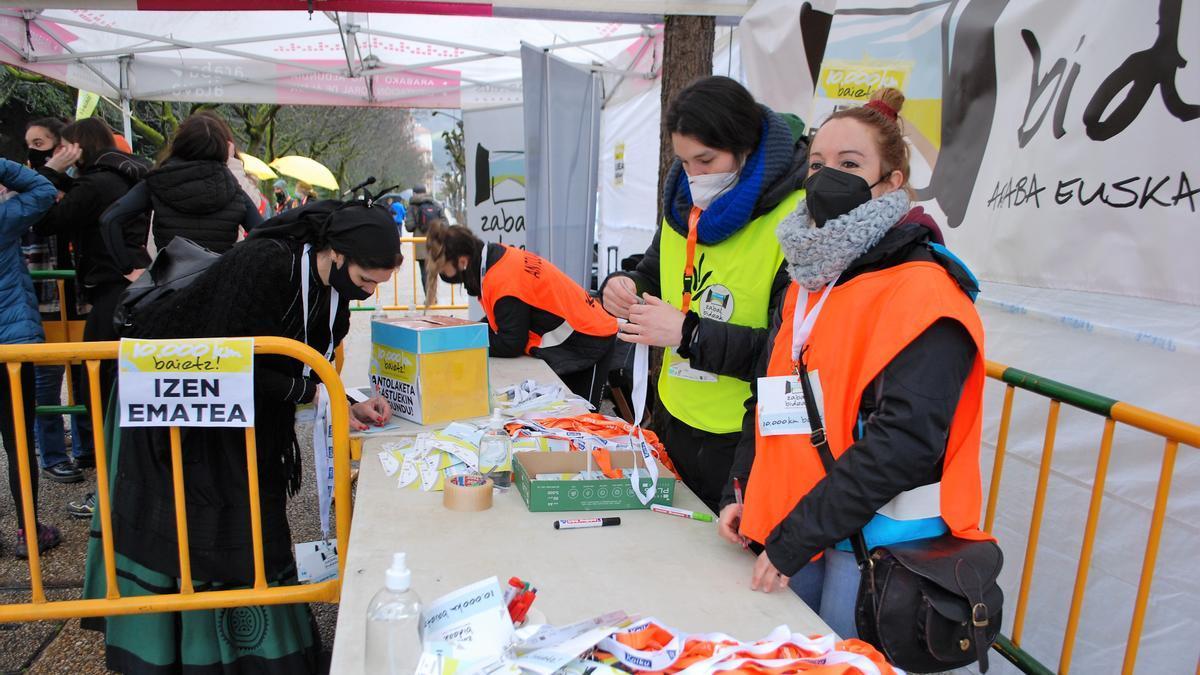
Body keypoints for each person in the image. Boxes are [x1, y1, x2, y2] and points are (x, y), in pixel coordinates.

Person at [712, 88, 990, 639]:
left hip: (876, 550)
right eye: (816, 163)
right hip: (801, 533)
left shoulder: (925, 290)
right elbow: (771, 397)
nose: (825, 177)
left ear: (892, 181)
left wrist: (794, 537)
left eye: (849, 164)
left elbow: (903, 445)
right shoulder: (811, 281)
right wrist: (743, 492)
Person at [82, 199, 401, 673]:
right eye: (365, 280)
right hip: (182, 415)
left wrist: (343, 399)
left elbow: (304, 364)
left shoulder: (334, 293)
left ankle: (265, 654)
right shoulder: (264, 262)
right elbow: (222, 360)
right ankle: (186, 657)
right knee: (195, 535)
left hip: (245, 418)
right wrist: (311, 391)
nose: (369, 292)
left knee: (251, 527)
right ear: (336, 253)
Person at [599, 76, 808, 513]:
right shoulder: (681, 205)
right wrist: (625, 287)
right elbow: (653, 272)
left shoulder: (795, 219)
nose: (694, 176)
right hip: (676, 419)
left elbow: (784, 354)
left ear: (745, 147)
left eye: (706, 160)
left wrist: (688, 335)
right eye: (685, 162)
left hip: (742, 439)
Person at [34, 118, 151, 419]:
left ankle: (105, 449)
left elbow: (48, 221)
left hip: (109, 281)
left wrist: (50, 172)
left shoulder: (96, 182)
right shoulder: (126, 174)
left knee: (97, 375)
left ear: (78, 147)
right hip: (135, 278)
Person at [432, 225, 617, 407]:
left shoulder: (501, 280)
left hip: (591, 338)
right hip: (580, 331)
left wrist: (467, 340)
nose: (443, 274)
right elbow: (503, 319)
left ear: (463, 261)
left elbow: (511, 342)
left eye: (443, 268)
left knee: (582, 418)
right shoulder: (497, 258)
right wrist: (468, 331)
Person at [101, 111, 264, 276]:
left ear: (180, 143)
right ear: (222, 148)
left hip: (169, 288)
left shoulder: (157, 182)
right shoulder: (233, 188)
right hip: (217, 287)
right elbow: (265, 233)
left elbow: (110, 220)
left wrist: (127, 269)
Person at [23, 118, 96, 484]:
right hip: (44, 298)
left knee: (85, 377)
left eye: (41, 143)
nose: (33, 151)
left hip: (80, 295)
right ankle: (52, 453)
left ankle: (86, 447)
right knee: (47, 381)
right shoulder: (19, 186)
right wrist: (46, 175)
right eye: (30, 144)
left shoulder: (81, 185)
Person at [0, 158, 62, 557]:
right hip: (11, 345)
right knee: (19, 443)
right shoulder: (4, 218)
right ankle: (27, 531)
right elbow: (42, 191)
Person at [404, 184, 445, 306]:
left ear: (414, 193)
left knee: (424, 271)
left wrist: (418, 223)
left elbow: (409, 226)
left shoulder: (412, 207)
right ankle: (434, 296)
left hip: (420, 243)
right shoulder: (435, 204)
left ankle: (429, 298)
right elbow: (445, 222)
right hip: (435, 241)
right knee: (434, 270)